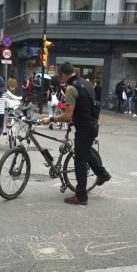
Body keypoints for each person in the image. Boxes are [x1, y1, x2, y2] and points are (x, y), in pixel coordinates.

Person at [39, 61, 112, 206]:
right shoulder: (86, 83)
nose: (61, 78)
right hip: (92, 124)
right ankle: (103, 174)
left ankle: (81, 196)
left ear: (64, 74)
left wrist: (51, 119)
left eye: (60, 76)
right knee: (86, 152)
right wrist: (60, 104)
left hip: (84, 128)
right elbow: (76, 104)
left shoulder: (72, 88)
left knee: (80, 161)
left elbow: (67, 115)